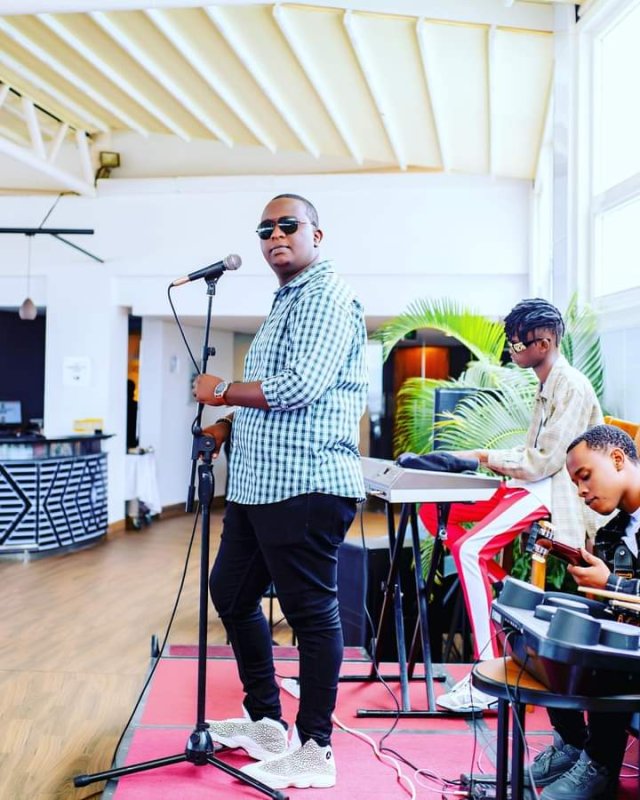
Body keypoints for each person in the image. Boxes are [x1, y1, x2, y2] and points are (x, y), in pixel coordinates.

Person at [192, 193, 368, 790]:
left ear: (318, 234)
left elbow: (298, 386)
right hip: (257, 486)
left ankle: (316, 747)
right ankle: (267, 723)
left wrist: (222, 391)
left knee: (311, 615)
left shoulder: (325, 295)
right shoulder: (286, 299)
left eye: (288, 225)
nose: (275, 235)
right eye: (265, 228)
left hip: (305, 482)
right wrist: (227, 423)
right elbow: (270, 395)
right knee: (231, 593)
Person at [424, 298, 604, 712]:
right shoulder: (548, 384)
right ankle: (507, 594)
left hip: (555, 493)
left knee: (469, 549)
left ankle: (487, 676)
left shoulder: (570, 386)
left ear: (543, 343)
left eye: (517, 342)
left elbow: (544, 462)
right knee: (434, 510)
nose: (511, 348)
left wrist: (481, 456)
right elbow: (534, 458)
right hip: (533, 485)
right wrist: (475, 460)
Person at [529, 423, 640, 800]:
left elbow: (619, 593)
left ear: (618, 459)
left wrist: (612, 584)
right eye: (576, 482)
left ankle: (599, 765)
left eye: (585, 476)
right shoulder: (612, 533)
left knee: (609, 648)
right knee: (552, 624)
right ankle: (574, 745)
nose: (581, 491)